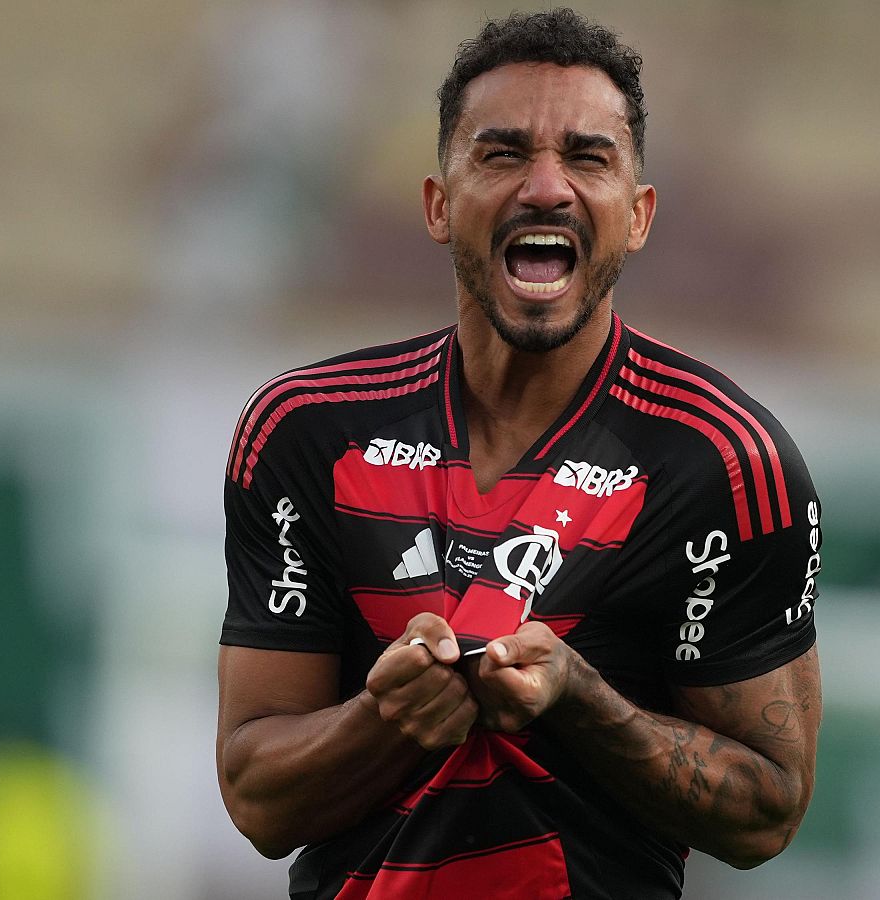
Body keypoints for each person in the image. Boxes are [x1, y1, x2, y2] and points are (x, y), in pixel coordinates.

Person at [217, 9, 823, 898]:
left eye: (587, 157)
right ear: (438, 203)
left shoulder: (725, 460)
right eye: (502, 155)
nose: (546, 189)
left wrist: (582, 700)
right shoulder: (307, 429)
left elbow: (768, 809)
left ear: (639, 214)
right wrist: (388, 719)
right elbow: (257, 798)